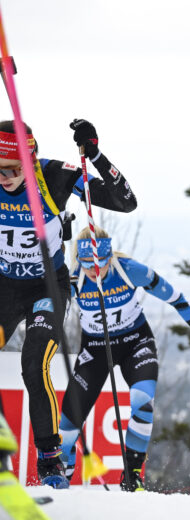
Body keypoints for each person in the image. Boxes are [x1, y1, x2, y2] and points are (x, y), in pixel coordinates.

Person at [0, 119, 136, 489]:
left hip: (46, 288)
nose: (4, 178)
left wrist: (96, 155)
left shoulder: (54, 177)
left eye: (12, 169)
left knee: (34, 363)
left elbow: (125, 202)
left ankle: (50, 461)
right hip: (4, 288)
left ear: (29, 160)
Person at [58, 226, 190, 491]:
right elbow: (53, 310)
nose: (93, 270)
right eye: (86, 263)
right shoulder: (73, 279)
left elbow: (176, 298)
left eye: (99, 263)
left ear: (109, 256)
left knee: (142, 402)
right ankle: (61, 476)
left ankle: (132, 475)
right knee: (68, 424)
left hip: (136, 343)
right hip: (96, 349)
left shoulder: (129, 271)